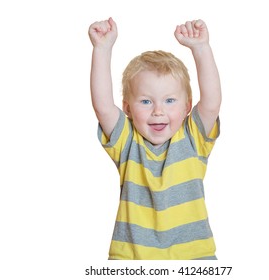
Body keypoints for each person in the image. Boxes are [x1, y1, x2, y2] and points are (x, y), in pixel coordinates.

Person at [88, 17, 222, 260]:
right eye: (146, 101)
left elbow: (212, 103)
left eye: (170, 100)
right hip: (132, 257)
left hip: (193, 257)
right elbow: (104, 107)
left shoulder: (192, 138)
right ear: (127, 108)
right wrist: (102, 49)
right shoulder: (127, 142)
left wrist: (201, 48)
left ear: (187, 107)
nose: (158, 110)